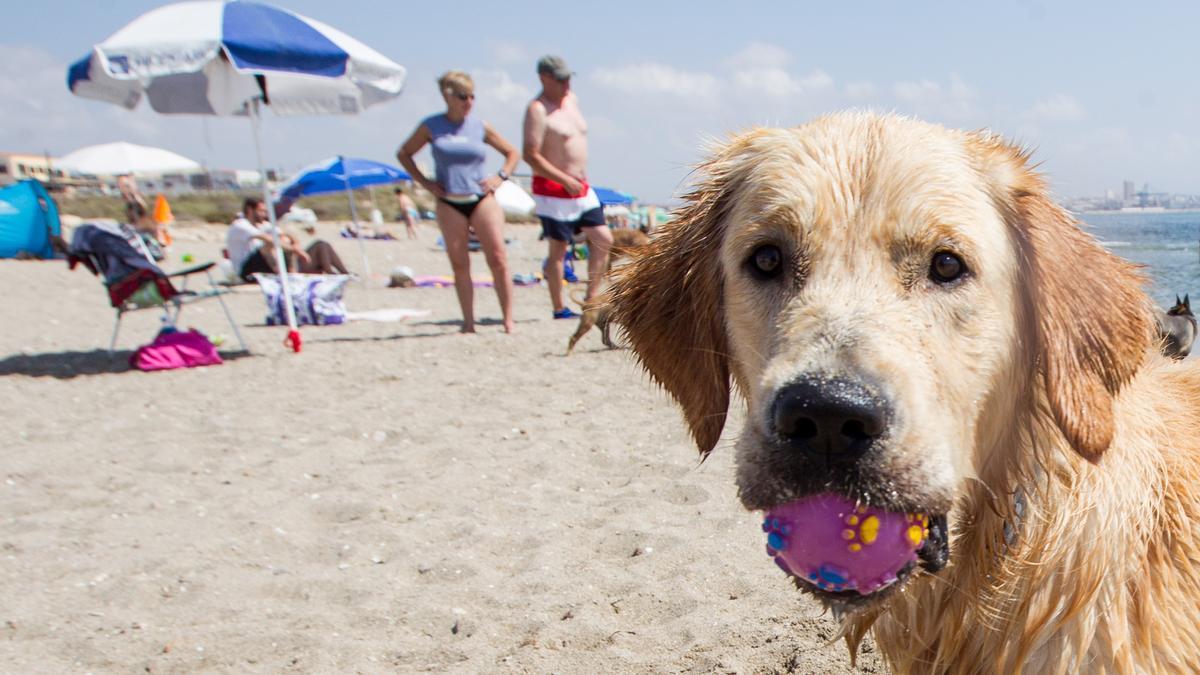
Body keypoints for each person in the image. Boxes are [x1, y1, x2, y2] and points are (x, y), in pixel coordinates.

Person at [397, 71, 520, 334]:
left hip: (481, 199)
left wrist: (500, 177)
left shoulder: (480, 126)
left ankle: (508, 319)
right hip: (449, 200)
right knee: (460, 263)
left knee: (498, 258)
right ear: (448, 96)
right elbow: (404, 153)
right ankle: (468, 322)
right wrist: (426, 183)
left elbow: (512, 152)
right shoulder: (431, 126)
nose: (469, 102)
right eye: (463, 96)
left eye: (473, 96)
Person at [523, 55, 612, 320]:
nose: (566, 84)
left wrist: (576, 180)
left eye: (568, 78)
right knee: (559, 250)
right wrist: (563, 179)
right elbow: (530, 155)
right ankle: (559, 306)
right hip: (553, 189)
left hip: (581, 188)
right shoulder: (537, 109)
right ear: (544, 78)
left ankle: (590, 299)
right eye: (560, 79)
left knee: (603, 238)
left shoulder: (571, 101)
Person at [227, 197, 349, 282]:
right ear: (250, 210)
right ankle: (291, 273)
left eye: (265, 211)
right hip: (248, 268)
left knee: (321, 245)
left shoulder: (263, 224)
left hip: (268, 263)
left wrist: (295, 245)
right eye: (261, 211)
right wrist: (293, 249)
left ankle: (342, 273)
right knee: (271, 244)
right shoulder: (241, 225)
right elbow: (267, 239)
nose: (264, 214)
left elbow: (286, 233)